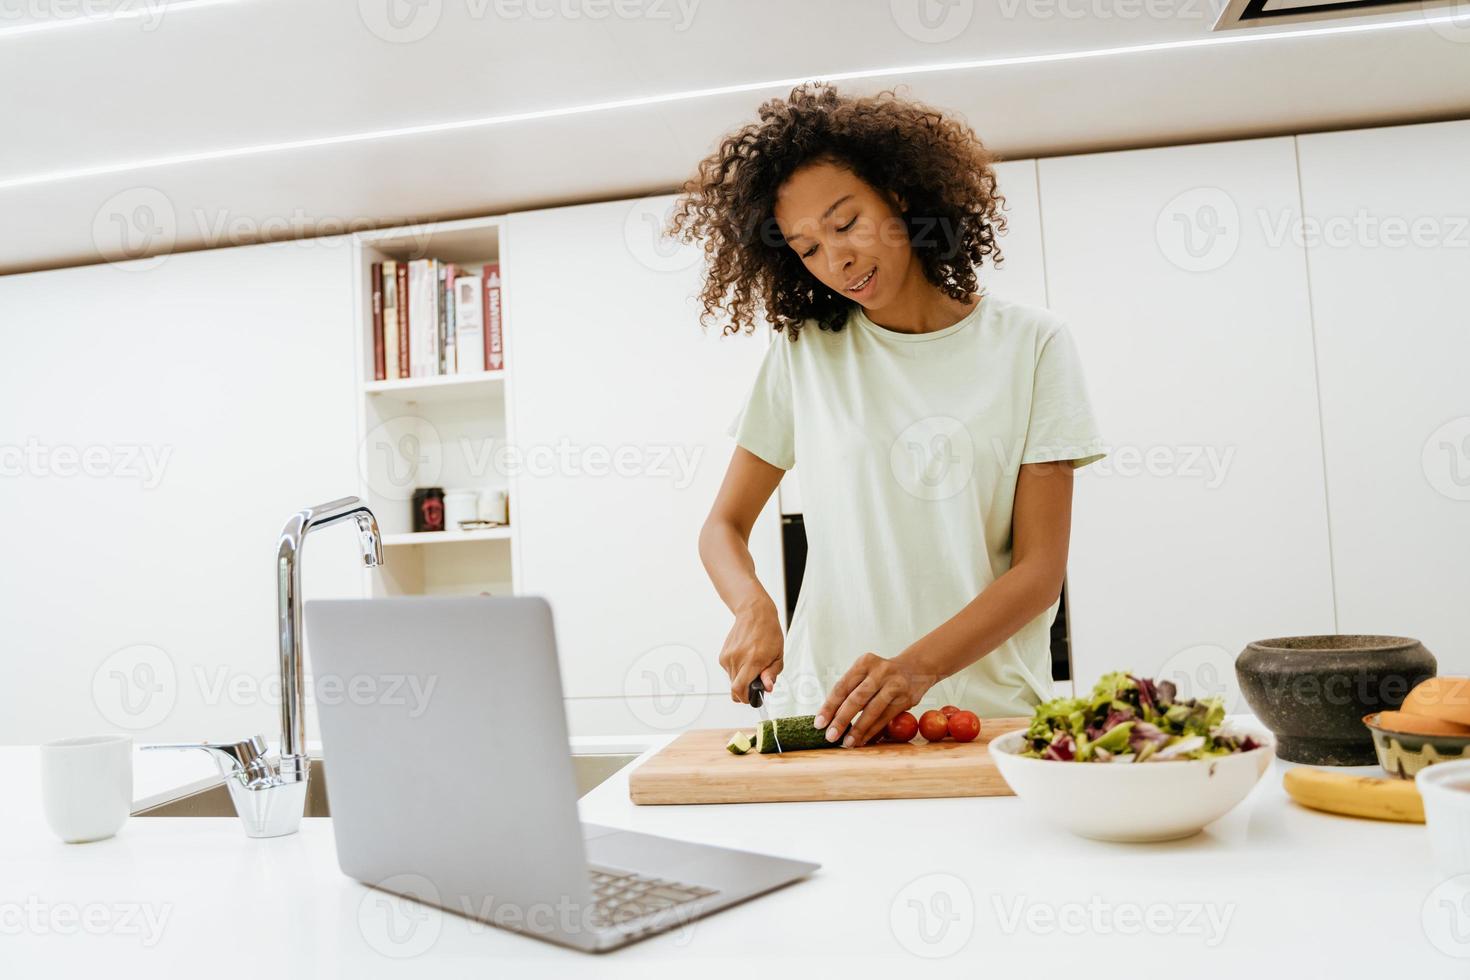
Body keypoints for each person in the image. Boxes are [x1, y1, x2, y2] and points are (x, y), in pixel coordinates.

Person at [669, 83, 1106, 748]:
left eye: (845, 225)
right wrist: (751, 604)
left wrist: (914, 671)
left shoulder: (1033, 345)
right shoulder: (804, 354)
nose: (835, 261)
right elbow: (722, 528)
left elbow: (1039, 570)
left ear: (900, 195)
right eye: (807, 248)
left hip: (985, 714)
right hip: (832, 714)